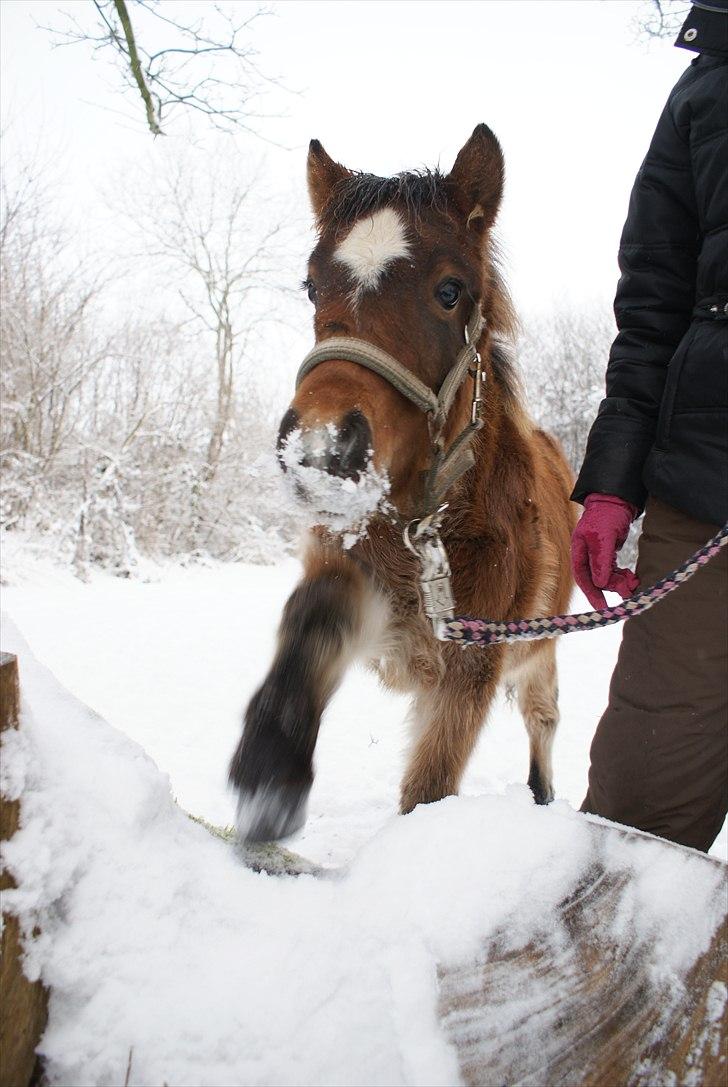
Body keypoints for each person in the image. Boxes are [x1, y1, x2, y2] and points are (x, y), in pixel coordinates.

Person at [570, 0, 728, 853]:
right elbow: (654, 300)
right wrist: (611, 481)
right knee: (639, 831)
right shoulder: (705, 90)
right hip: (706, 485)